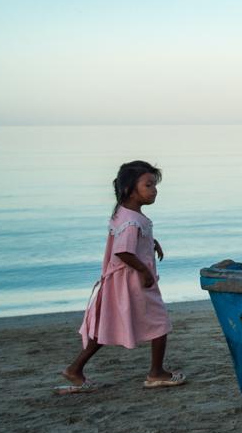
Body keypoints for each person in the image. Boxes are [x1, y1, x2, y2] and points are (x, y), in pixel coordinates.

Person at [56, 160, 185, 393]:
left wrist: (151, 242)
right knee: (160, 322)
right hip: (133, 281)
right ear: (129, 189)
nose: (154, 190)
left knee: (107, 324)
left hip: (120, 282)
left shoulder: (125, 214)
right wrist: (145, 271)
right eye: (148, 185)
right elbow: (123, 250)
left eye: (155, 185)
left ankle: (75, 369)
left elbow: (129, 241)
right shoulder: (131, 220)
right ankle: (156, 373)